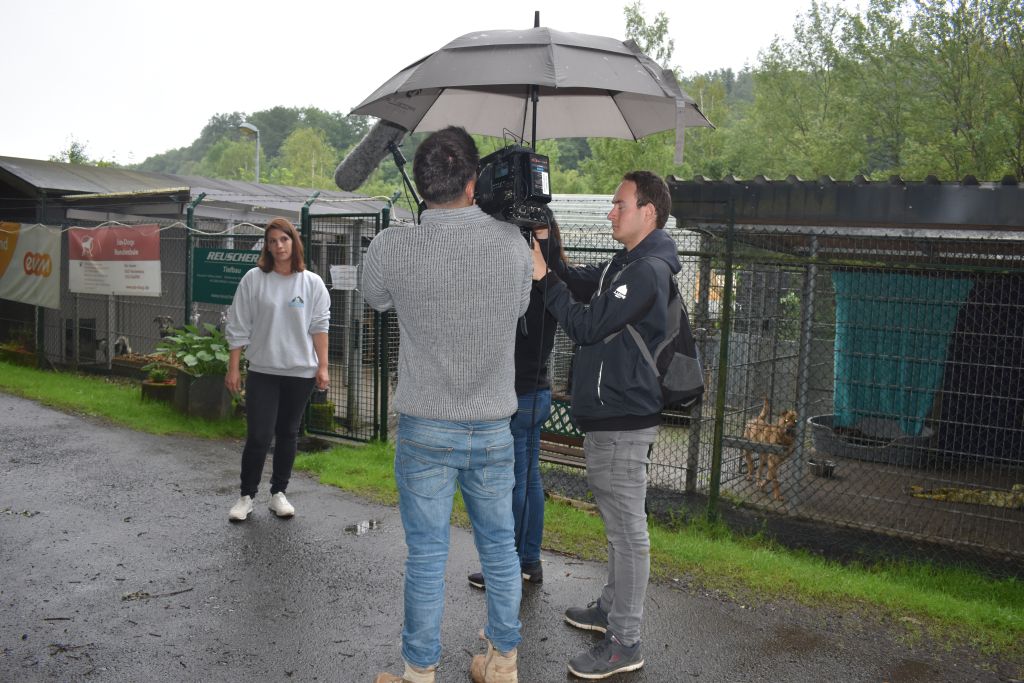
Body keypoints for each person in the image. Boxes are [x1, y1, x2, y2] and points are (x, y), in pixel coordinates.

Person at [363, 126, 533, 683]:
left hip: (426, 429)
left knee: (428, 557)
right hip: (491, 429)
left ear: (419, 181)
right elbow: (522, 300)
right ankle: (502, 662)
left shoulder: (393, 244)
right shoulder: (510, 242)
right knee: (501, 549)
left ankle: (418, 673)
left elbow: (374, 296)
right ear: (473, 179)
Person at [529, 171, 679, 680]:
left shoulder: (647, 271)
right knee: (618, 525)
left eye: (619, 204)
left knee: (627, 530)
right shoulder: (625, 262)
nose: (610, 212)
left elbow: (587, 325)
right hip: (612, 413)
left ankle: (626, 639)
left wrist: (543, 281)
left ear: (648, 213)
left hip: (624, 416)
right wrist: (548, 253)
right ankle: (611, 610)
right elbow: (578, 280)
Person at [467, 208, 570, 590]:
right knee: (527, 481)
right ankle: (527, 561)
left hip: (518, 396)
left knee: (515, 483)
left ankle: (509, 564)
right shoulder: (555, 279)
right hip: (536, 393)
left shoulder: (527, 282)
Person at [224, 217, 330, 522]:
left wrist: (322, 367)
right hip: (263, 371)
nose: (278, 246)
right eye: (272, 241)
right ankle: (246, 496)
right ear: (267, 247)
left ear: (293, 242)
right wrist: (234, 368)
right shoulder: (254, 279)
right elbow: (238, 325)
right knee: (258, 434)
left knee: (287, 433)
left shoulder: (311, 283)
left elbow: (319, 327)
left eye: (283, 240)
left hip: (300, 374)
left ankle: (278, 494)